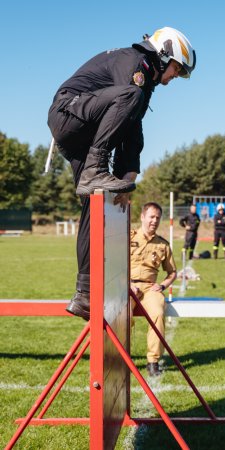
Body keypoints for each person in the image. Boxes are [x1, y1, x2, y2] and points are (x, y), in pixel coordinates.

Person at [47, 27, 195, 320]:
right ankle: (95, 169)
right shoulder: (134, 64)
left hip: (80, 131)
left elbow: (128, 126)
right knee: (131, 97)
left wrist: (124, 182)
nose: (176, 76)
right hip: (69, 114)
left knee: (93, 204)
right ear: (164, 55)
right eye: (177, 69)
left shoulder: (143, 78)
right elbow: (130, 117)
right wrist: (121, 175)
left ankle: (84, 293)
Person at [130, 202, 177, 377]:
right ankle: (121, 357)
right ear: (142, 217)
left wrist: (163, 285)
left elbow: (172, 272)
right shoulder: (129, 237)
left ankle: (153, 361)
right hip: (128, 287)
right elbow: (114, 263)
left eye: (158, 218)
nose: (154, 221)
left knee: (158, 312)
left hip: (150, 288)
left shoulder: (163, 245)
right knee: (123, 315)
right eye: (151, 217)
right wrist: (126, 284)